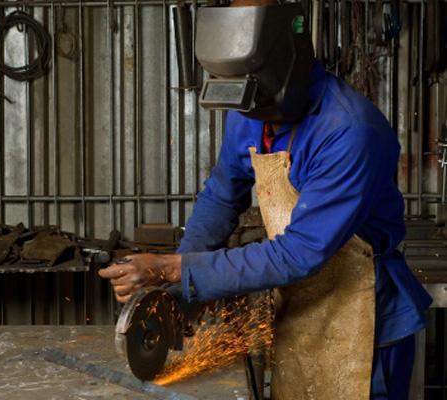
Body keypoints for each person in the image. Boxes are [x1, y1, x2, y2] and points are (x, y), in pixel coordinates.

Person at [99, 2, 433, 399]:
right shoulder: (252, 105)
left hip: (367, 323)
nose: (249, 117)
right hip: (298, 312)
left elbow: (298, 254)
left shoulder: (349, 131)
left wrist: (174, 270)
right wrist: (179, 295)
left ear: (285, 70)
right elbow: (223, 194)